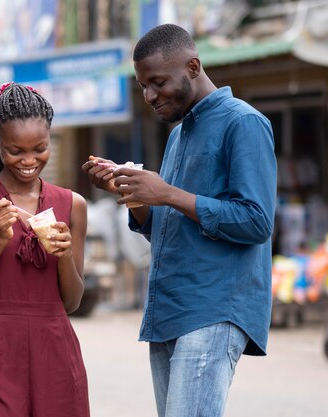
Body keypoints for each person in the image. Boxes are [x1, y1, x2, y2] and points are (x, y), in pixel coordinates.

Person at [82, 24, 277, 417]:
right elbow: (170, 231)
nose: (150, 96)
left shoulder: (244, 123)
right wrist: (132, 194)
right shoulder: (177, 135)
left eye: (157, 82)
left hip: (213, 307)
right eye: (143, 86)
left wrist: (167, 193)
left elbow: (257, 222)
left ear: (192, 66)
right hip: (170, 310)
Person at [0, 82, 90, 417]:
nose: (28, 161)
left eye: (39, 148)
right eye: (15, 151)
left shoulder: (73, 205)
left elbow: (72, 302)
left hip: (54, 351)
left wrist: (65, 256)